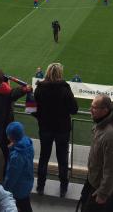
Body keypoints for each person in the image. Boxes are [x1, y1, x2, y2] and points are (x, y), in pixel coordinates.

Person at [34, 62, 78, 197]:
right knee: (62, 158)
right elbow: (74, 109)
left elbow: (33, 108)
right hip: (62, 129)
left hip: (45, 127)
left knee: (44, 157)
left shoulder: (40, 88)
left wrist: (40, 117)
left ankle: (40, 186)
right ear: (60, 74)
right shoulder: (65, 89)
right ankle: (63, 188)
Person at [81, 94, 113, 212]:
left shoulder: (110, 135)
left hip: (101, 188)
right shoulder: (101, 124)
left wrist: (103, 193)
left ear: (105, 110)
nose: (90, 110)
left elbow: (112, 169)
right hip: (94, 182)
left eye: (94, 107)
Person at [4, 122, 34, 212]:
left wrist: (5, 189)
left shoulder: (16, 157)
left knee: (24, 206)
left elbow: (12, 176)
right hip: (27, 182)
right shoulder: (27, 144)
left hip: (18, 189)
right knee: (25, 204)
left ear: (10, 137)